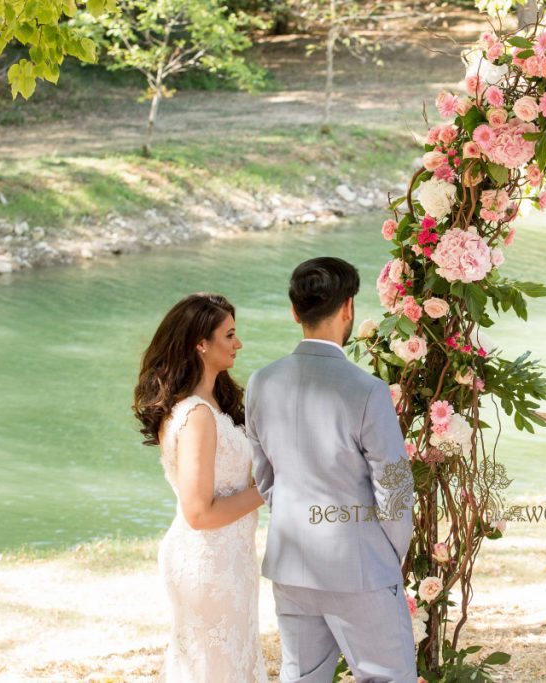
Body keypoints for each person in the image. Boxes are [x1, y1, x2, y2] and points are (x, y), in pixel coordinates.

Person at [246, 256, 416, 683]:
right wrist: (387, 556)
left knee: (301, 677)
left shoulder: (260, 382)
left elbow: (265, 478)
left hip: (290, 563)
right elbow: (394, 488)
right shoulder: (368, 390)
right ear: (348, 309)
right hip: (360, 565)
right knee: (386, 677)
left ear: (294, 312)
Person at [132, 292, 266, 682]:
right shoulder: (196, 416)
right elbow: (199, 512)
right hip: (209, 564)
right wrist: (270, 489)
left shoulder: (211, 406)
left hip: (231, 558)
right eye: (229, 335)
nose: (238, 344)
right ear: (201, 344)